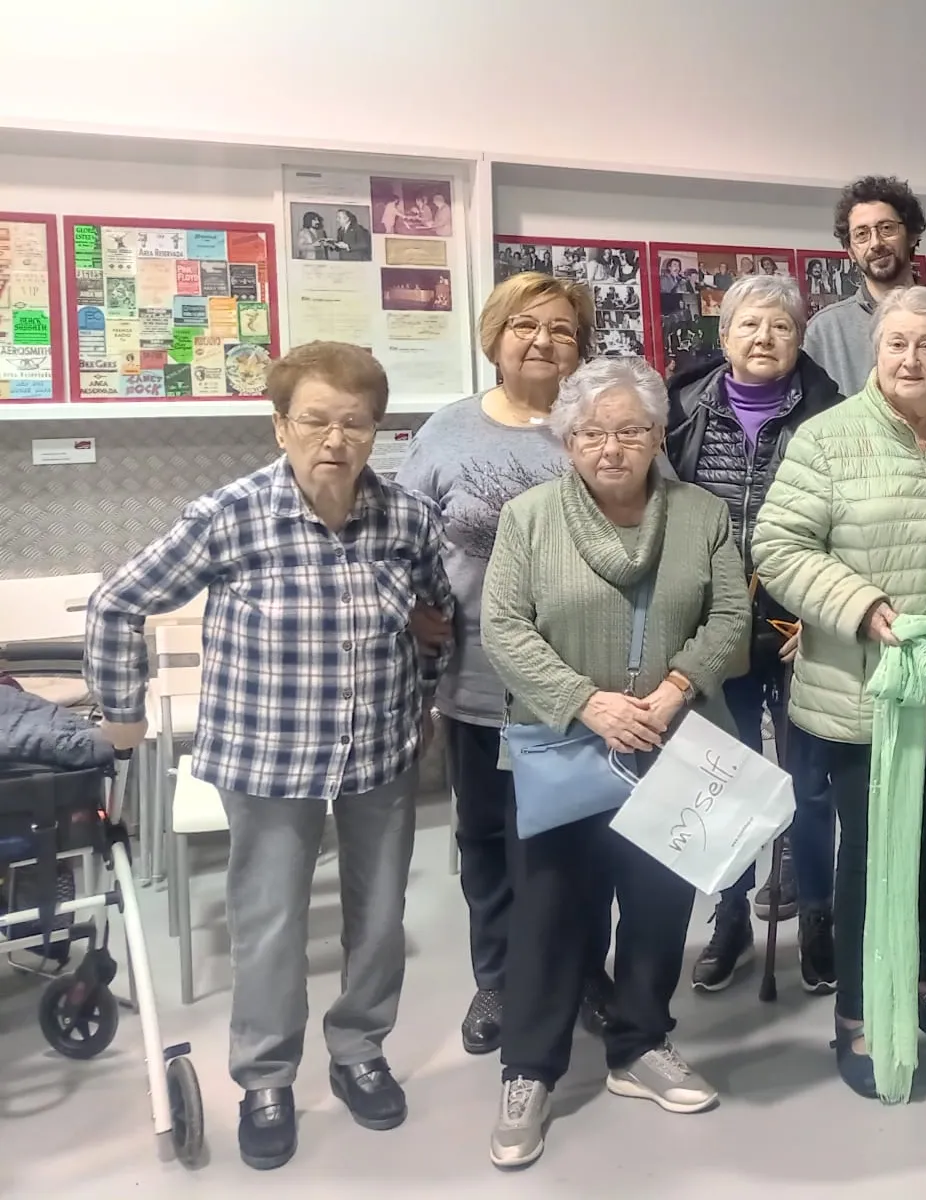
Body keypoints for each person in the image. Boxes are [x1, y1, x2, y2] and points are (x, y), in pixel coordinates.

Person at [84, 341, 452, 1172]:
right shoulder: (232, 515)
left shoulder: (405, 517)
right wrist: (122, 713)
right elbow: (118, 601)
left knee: (380, 919)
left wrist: (424, 692)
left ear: (378, 431)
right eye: (315, 420)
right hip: (269, 757)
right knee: (271, 923)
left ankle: (360, 1051)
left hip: (379, 751)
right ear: (281, 426)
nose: (336, 440)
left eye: (355, 423)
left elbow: (436, 613)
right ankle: (266, 1078)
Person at [481, 357, 749, 1169]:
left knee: (659, 905)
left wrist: (674, 691)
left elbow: (730, 615)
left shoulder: (701, 515)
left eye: (631, 430)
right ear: (567, 441)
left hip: (672, 740)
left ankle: (639, 1044)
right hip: (563, 744)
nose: (612, 447)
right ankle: (530, 1070)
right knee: (550, 913)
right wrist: (586, 701)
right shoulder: (529, 518)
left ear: (659, 436)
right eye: (592, 432)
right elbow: (504, 627)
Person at [753, 285, 926, 1100]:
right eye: (897, 343)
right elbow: (778, 544)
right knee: (874, 858)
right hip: (860, 694)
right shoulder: (826, 440)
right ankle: (861, 1013)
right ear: (875, 352)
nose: (911, 358)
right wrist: (862, 606)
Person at [398, 272, 595, 1058]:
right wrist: (413, 611)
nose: (542, 341)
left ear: (580, 348)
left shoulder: (599, 423)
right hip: (475, 678)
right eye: (524, 325)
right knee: (485, 840)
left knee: (575, 842)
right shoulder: (447, 432)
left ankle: (584, 976)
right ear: (495, 337)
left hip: (581, 683)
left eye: (561, 329)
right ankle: (500, 979)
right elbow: (405, 539)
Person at [665, 274, 844, 994]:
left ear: (800, 338)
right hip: (714, 623)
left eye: (781, 326)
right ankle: (731, 914)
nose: (764, 337)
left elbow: (848, 525)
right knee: (720, 776)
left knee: (812, 783)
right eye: (749, 324)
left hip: (801, 622)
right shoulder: (681, 409)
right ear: (725, 334)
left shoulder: (833, 412)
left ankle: (819, 916)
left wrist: (823, 611)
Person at [803, 175, 926, 425]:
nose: (876, 243)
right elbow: (808, 426)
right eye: (862, 234)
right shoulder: (823, 331)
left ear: (911, 235)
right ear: (850, 252)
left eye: (887, 228)